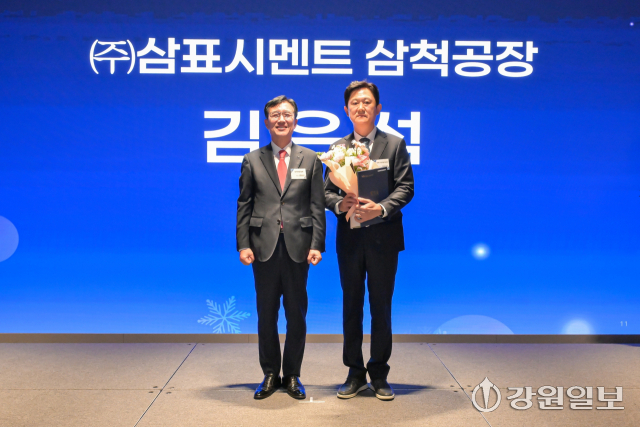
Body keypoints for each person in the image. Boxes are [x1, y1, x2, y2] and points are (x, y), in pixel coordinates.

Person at [325, 81, 414, 401]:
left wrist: (382, 207)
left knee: (381, 306)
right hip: (350, 239)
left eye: (366, 102)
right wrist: (341, 204)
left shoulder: (394, 144)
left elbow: (406, 187)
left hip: (383, 238)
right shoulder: (337, 148)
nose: (360, 107)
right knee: (351, 305)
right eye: (354, 103)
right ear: (346, 110)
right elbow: (325, 192)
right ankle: (354, 372)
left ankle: (378, 372)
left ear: (378, 108)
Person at [236, 95, 326, 400]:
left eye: (287, 115)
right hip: (263, 246)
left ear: (295, 121)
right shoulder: (252, 159)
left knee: (296, 314)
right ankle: (270, 374)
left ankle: (293, 375)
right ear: (266, 122)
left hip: (298, 246)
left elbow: (317, 205)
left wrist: (317, 244)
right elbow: (244, 205)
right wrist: (243, 244)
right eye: (275, 115)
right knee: (266, 313)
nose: (281, 120)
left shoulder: (310, 159)